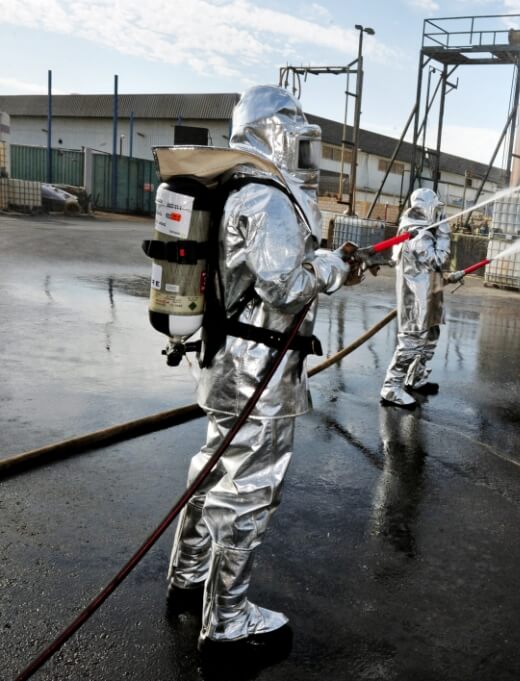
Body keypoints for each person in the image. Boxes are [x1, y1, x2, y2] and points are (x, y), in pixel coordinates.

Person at [165, 85, 371, 656]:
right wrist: (329, 266)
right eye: (295, 127)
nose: (308, 145)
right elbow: (286, 286)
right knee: (249, 491)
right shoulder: (269, 198)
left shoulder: (239, 188)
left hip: (229, 365)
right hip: (260, 375)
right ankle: (227, 621)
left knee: (211, 474)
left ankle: (186, 577)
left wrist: (330, 264)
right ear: (268, 131)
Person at [379, 188, 451, 408]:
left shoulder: (423, 231)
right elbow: (439, 260)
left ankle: (416, 378)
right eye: (436, 209)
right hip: (417, 300)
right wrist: (444, 232)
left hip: (430, 295)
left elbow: (432, 269)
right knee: (411, 343)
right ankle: (391, 387)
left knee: (430, 338)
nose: (440, 214)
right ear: (426, 208)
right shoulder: (417, 234)